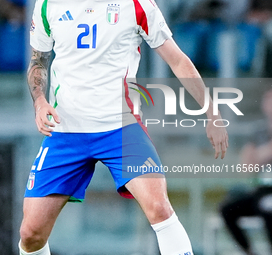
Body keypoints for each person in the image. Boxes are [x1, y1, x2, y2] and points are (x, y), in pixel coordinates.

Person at [19, 0, 229, 254]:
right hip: (66, 131)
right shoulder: (47, 4)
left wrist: (211, 111)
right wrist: (40, 102)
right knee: (31, 234)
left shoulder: (137, 4)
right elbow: (38, 60)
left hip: (120, 127)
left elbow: (178, 60)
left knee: (159, 208)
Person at [220, 89, 272, 255]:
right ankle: (249, 251)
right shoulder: (258, 132)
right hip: (261, 190)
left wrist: (261, 154)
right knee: (227, 209)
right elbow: (246, 167)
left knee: (268, 207)